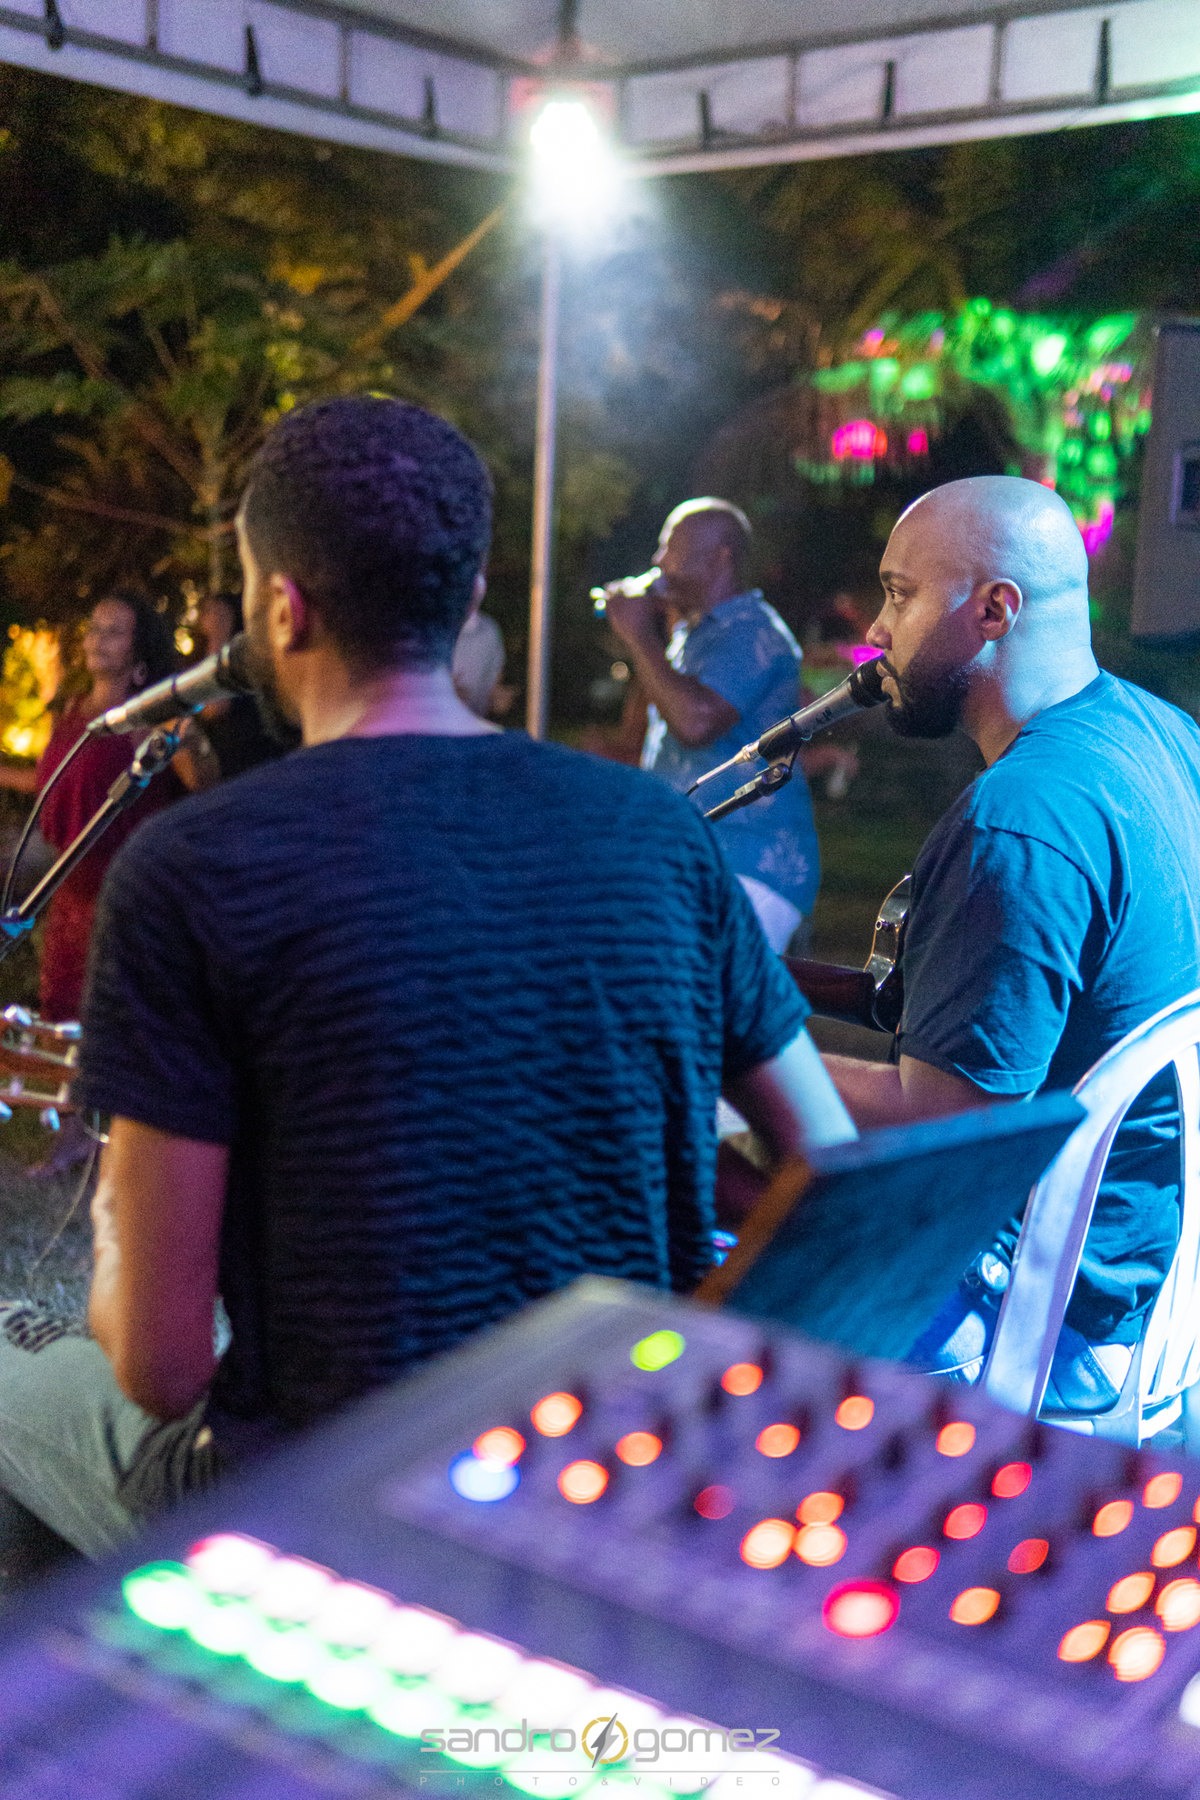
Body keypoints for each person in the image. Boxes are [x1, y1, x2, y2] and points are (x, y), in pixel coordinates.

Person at [0, 395, 855, 1563]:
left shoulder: (197, 869)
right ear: (465, 600)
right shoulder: (656, 832)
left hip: (335, 1512)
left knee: (18, 1372)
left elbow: (160, 1364)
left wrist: (121, 1206)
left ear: (282, 607)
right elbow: (832, 1166)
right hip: (608, 1481)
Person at [822, 474, 1200, 1420]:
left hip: (1037, 1313)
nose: (877, 630)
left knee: (683, 1280)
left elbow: (943, 1126)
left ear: (994, 610)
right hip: (1152, 1292)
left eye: (900, 594)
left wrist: (714, 1053)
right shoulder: (1164, 736)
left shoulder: (1021, 820)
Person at [602, 499, 820, 954]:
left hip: (749, 863)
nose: (658, 559)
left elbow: (695, 722)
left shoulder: (753, 632)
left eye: (671, 546)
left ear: (719, 557)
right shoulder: (696, 633)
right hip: (699, 859)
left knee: (711, 994)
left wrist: (639, 635)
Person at [0, 592, 181, 1023]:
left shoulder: (151, 716)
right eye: (94, 629)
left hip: (122, 899)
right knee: (62, 1024)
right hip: (67, 895)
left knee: (114, 1023)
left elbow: (203, 783)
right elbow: (50, 781)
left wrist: (194, 741)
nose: (97, 639)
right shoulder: (72, 708)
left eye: (113, 632)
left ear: (139, 649)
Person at [174, 591, 289, 787]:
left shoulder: (249, 659)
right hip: (220, 775)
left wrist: (219, 635)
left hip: (250, 769)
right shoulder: (195, 660)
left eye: (216, 612)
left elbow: (216, 706)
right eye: (207, 611)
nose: (208, 618)